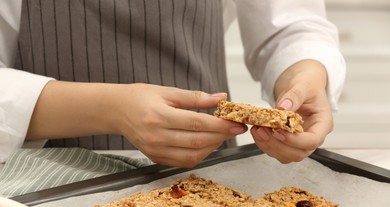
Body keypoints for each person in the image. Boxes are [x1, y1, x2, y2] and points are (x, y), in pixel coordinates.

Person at [0, 0, 345, 168]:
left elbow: (288, 24)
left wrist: (305, 75)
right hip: (47, 182)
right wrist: (111, 109)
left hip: (208, 175)